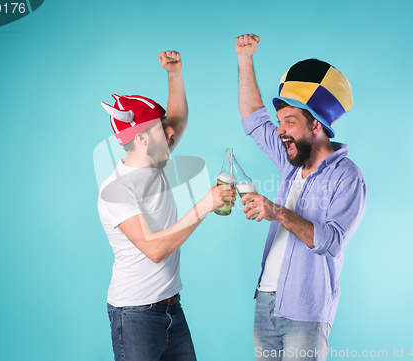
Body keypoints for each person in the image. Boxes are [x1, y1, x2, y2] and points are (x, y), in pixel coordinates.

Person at [235, 34, 367, 361]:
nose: (280, 131)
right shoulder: (290, 162)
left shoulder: (348, 177)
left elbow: (332, 240)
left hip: (305, 310)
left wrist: (278, 212)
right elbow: (254, 119)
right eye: (280, 122)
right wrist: (245, 59)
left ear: (317, 126)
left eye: (289, 122)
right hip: (266, 300)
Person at [98, 50, 236, 361]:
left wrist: (174, 74)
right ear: (143, 139)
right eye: (163, 129)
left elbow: (179, 119)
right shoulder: (117, 189)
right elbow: (155, 250)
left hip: (172, 307)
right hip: (135, 316)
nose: (172, 133)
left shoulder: (153, 161)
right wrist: (205, 205)